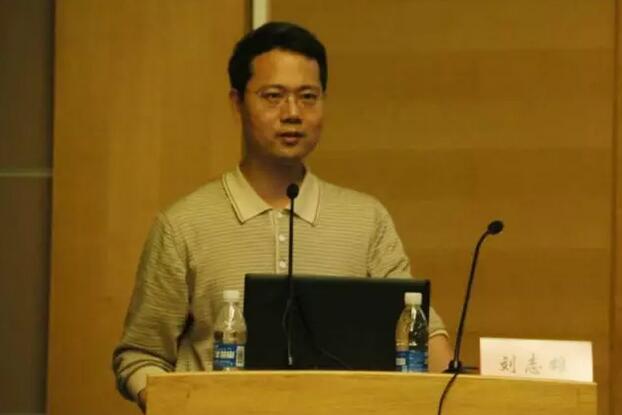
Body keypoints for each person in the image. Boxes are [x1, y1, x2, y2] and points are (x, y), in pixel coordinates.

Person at [113, 21, 453, 412]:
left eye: (308, 97)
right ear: (237, 102)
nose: (292, 113)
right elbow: (141, 355)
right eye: (273, 96)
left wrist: (463, 387)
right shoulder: (183, 225)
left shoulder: (366, 220)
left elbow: (419, 334)